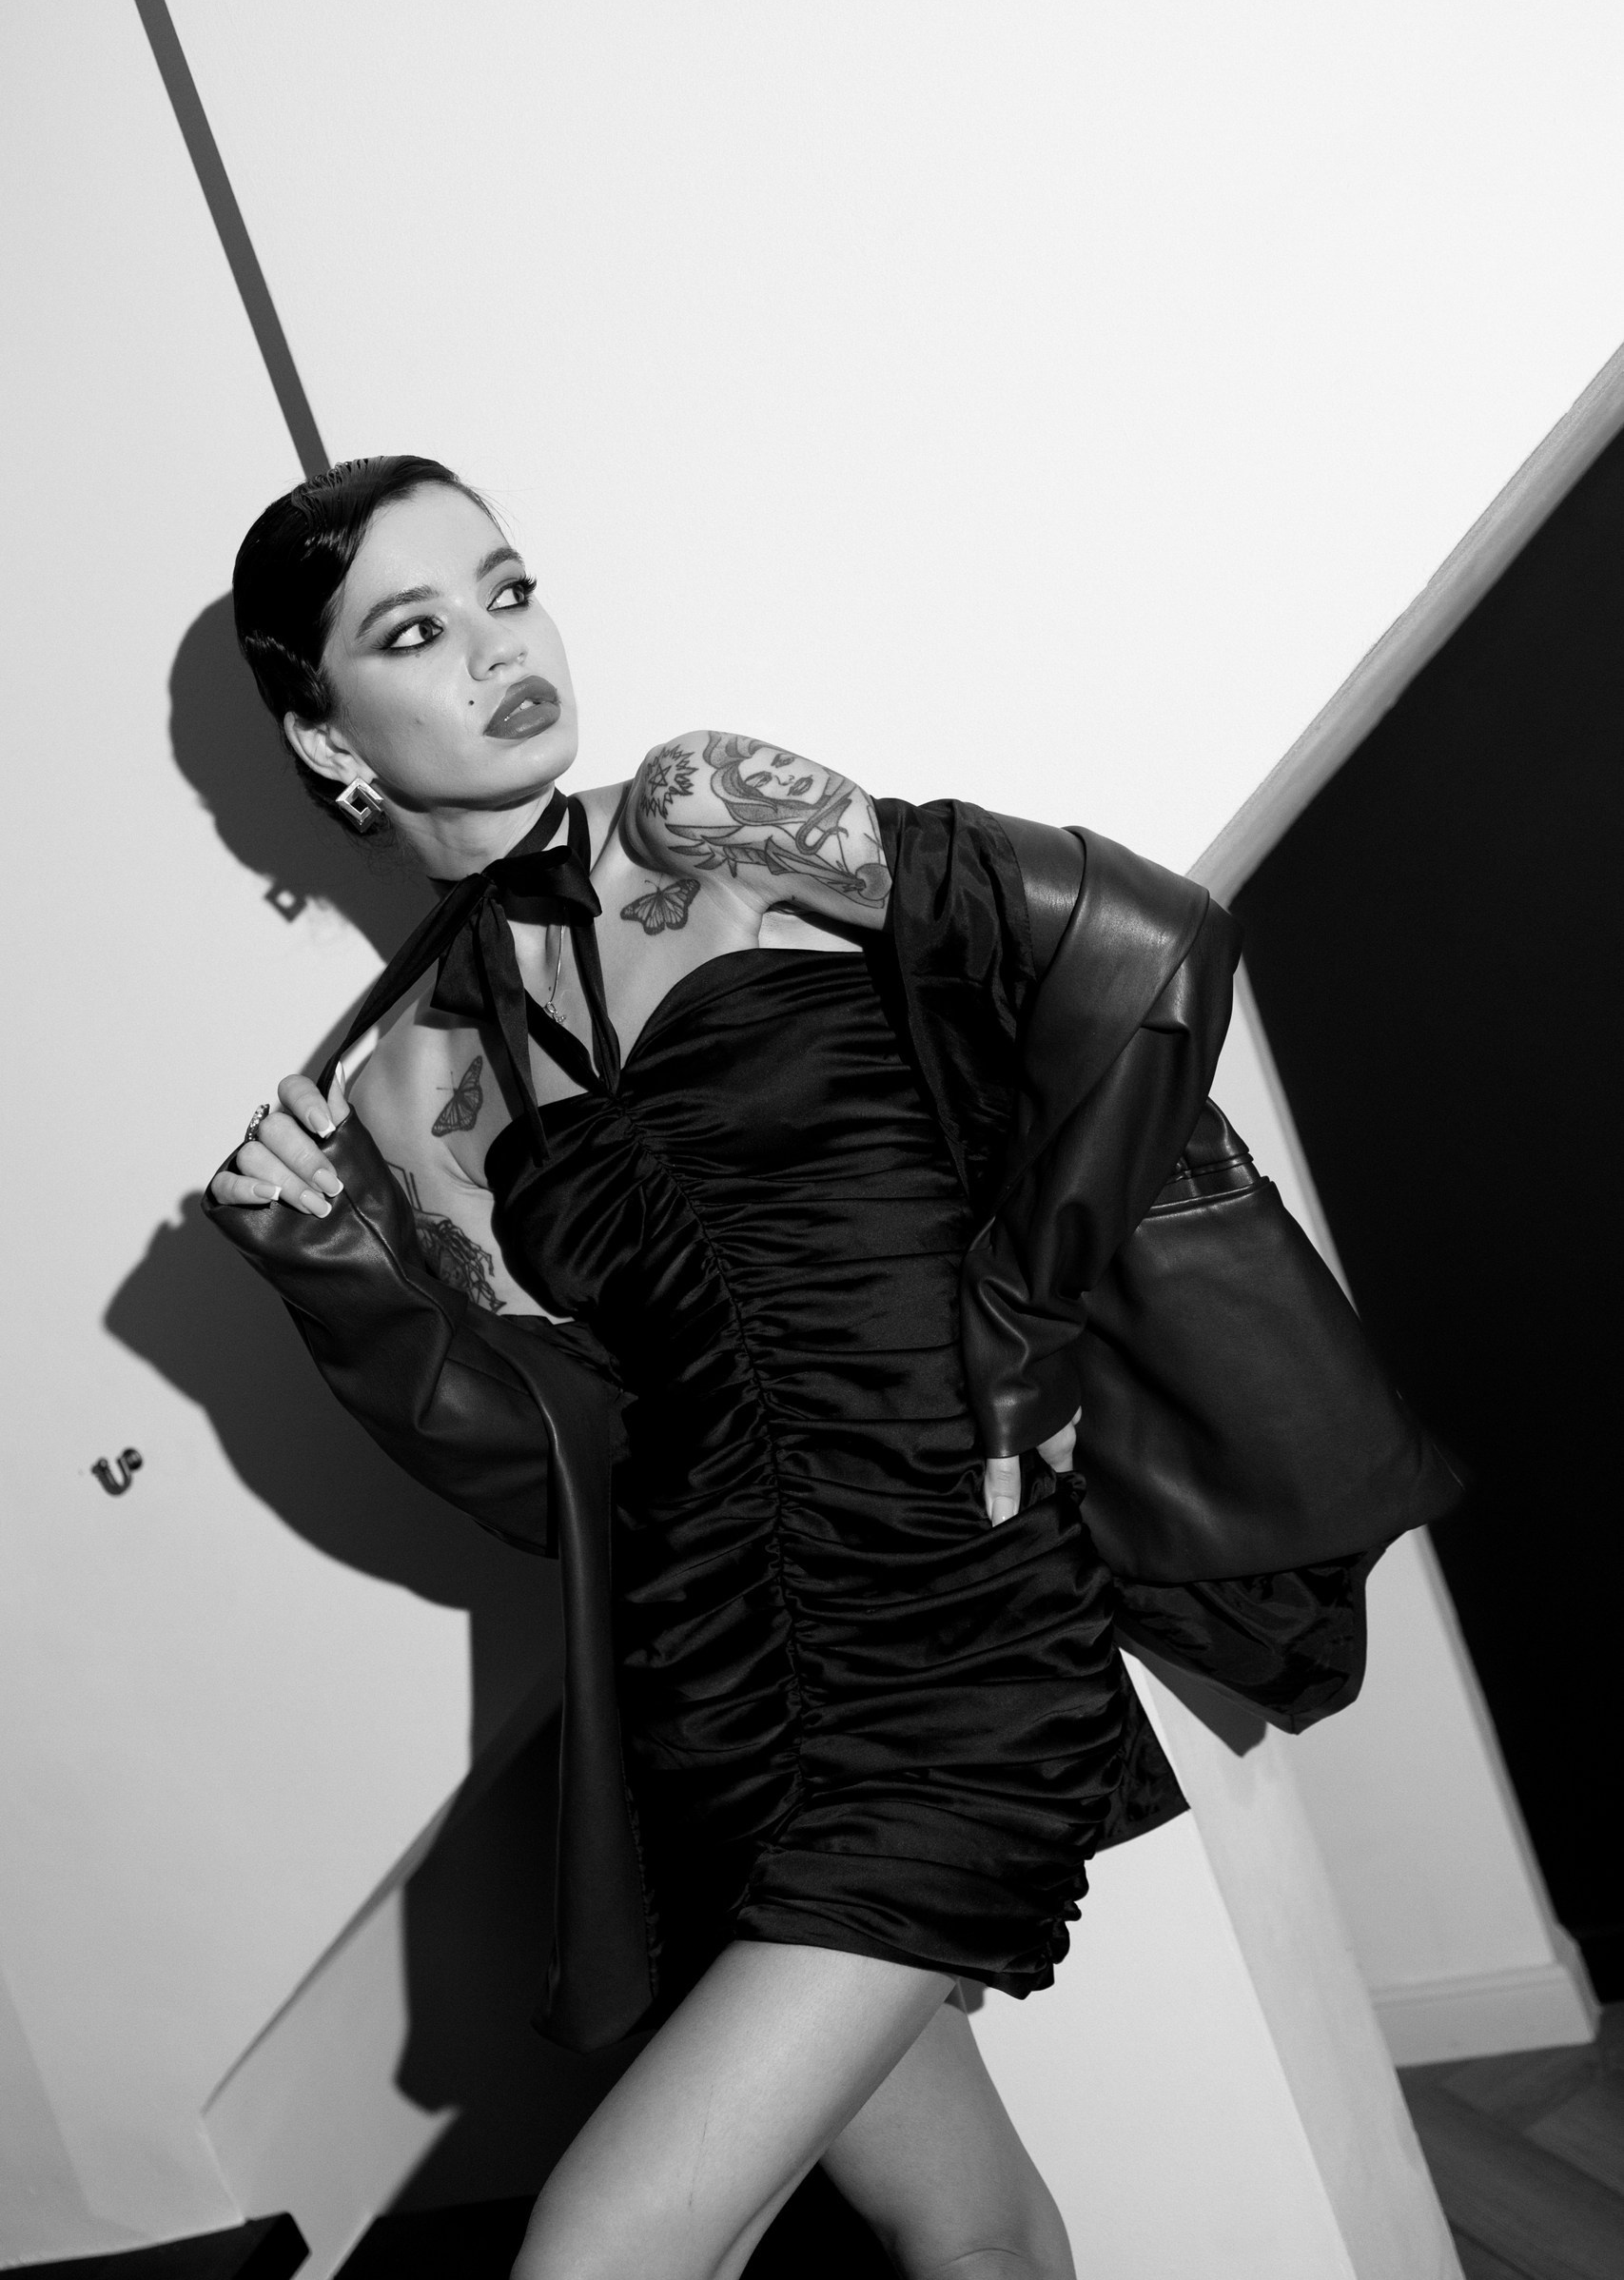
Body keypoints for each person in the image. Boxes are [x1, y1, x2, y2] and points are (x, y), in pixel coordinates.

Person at [209, 455, 1409, 2280]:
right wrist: (330, 1270)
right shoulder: (402, 1091)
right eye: (416, 631)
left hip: (953, 1603)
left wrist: (1025, 1317)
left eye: (509, 591)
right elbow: (561, 1474)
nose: (501, 649)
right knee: (971, 2233)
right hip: (710, 1673)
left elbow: (1156, 948)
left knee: (593, 2251)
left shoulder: (705, 815)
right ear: (327, 737)